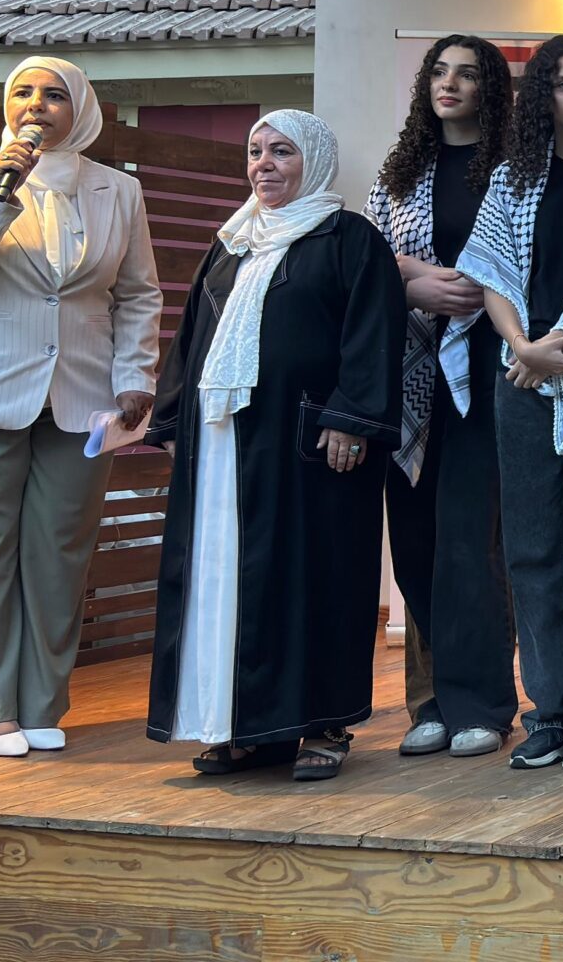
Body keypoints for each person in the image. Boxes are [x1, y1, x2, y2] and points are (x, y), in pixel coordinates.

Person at [143, 110, 403, 782]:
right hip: (222, 445)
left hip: (307, 443)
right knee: (223, 578)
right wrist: (172, 421)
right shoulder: (230, 243)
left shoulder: (348, 237)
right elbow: (191, 340)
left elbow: (373, 331)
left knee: (313, 576)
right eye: (255, 151)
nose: (264, 164)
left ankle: (323, 722)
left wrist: (352, 416)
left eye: (282, 151)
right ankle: (236, 724)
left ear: (313, 160)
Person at [0, 56, 163, 757]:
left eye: (55, 95)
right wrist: (3, 195)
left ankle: (39, 702)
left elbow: (138, 293)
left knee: (59, 552)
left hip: (84, 397)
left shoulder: (118, 189)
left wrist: (135, 375)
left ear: (80, 110)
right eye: (23, 92)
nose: (37, 104)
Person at [456, 34, 563, 773]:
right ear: (543, 97)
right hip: (524, 377)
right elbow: (490, 273)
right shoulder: (513, 178)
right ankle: (549, 711)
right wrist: (522, 346)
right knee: (530, 551)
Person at [364, 35, 517, 759]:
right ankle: (428, 702)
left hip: (490, 374)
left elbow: (531, 262)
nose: (449, 84)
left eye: (467, 74)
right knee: (416, 542)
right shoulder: (398, 175)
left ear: (492, 89)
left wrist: (485, 296)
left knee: (470, 542)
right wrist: (406, 279)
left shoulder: (516, 171)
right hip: (411, 379)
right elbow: (362, 265)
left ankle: (481, 702)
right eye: (439, 71)